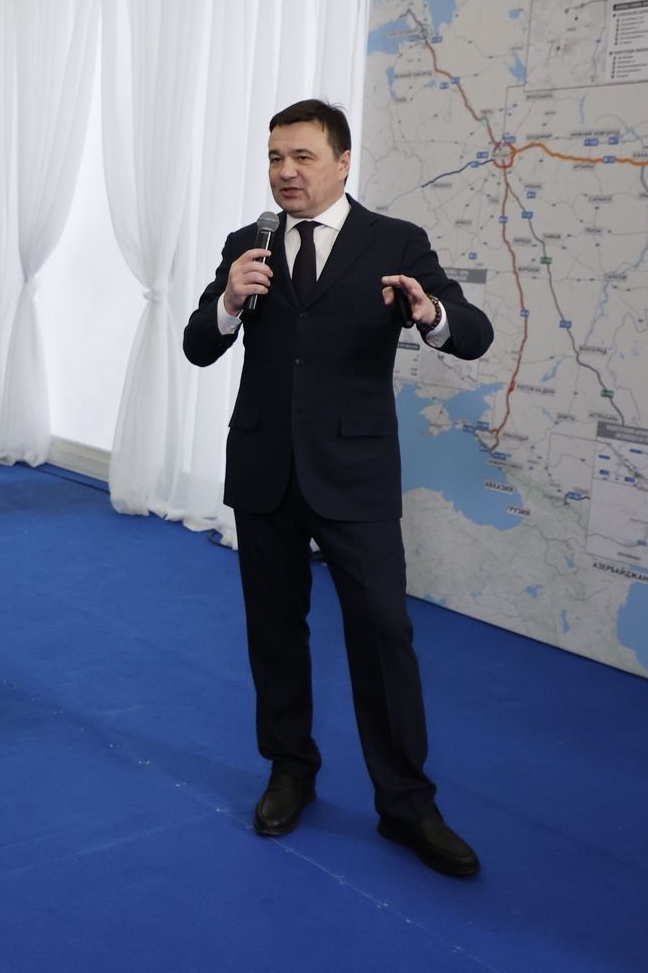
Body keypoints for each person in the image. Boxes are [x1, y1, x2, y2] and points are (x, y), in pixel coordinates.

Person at [182, 99, 494, 876]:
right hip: (265, 470)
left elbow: (473, 332)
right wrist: (228, 301)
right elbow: (197, 346)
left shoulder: (395, 241)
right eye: (275, 157)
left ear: (344, 162)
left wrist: (430, 312)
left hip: (354, 474)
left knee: (384, 635)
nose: (286, 172)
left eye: (303, 157)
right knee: (274, 633)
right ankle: (290, 770)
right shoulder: (247, 243)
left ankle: (408, 805)